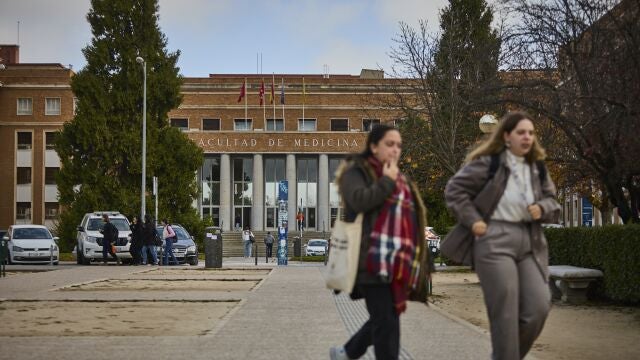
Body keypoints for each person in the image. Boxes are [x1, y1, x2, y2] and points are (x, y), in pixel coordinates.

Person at [444, 111, 560, 360]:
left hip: (530, 239)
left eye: (530, 133)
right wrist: (473, 220)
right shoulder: (490, 163)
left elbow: (553, 202)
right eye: (521, 132)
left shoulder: (537, 167)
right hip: (494, 238)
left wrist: (542, 208)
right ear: (507, 136)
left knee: (538, 307)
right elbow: (454, 190)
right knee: (505, 314)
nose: (527, 137)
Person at [330, 124, 429, 360]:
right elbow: (359, 201)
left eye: (398, 145)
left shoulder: (400, 178)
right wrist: (386, 181)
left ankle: (347, 352)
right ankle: (349, 352)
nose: (395, 150)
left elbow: (411, 219)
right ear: (374, 146)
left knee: (386, 318)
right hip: (369, 260)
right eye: (389, 144)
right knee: (386, 322)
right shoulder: (355, 172)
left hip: (396, 261)